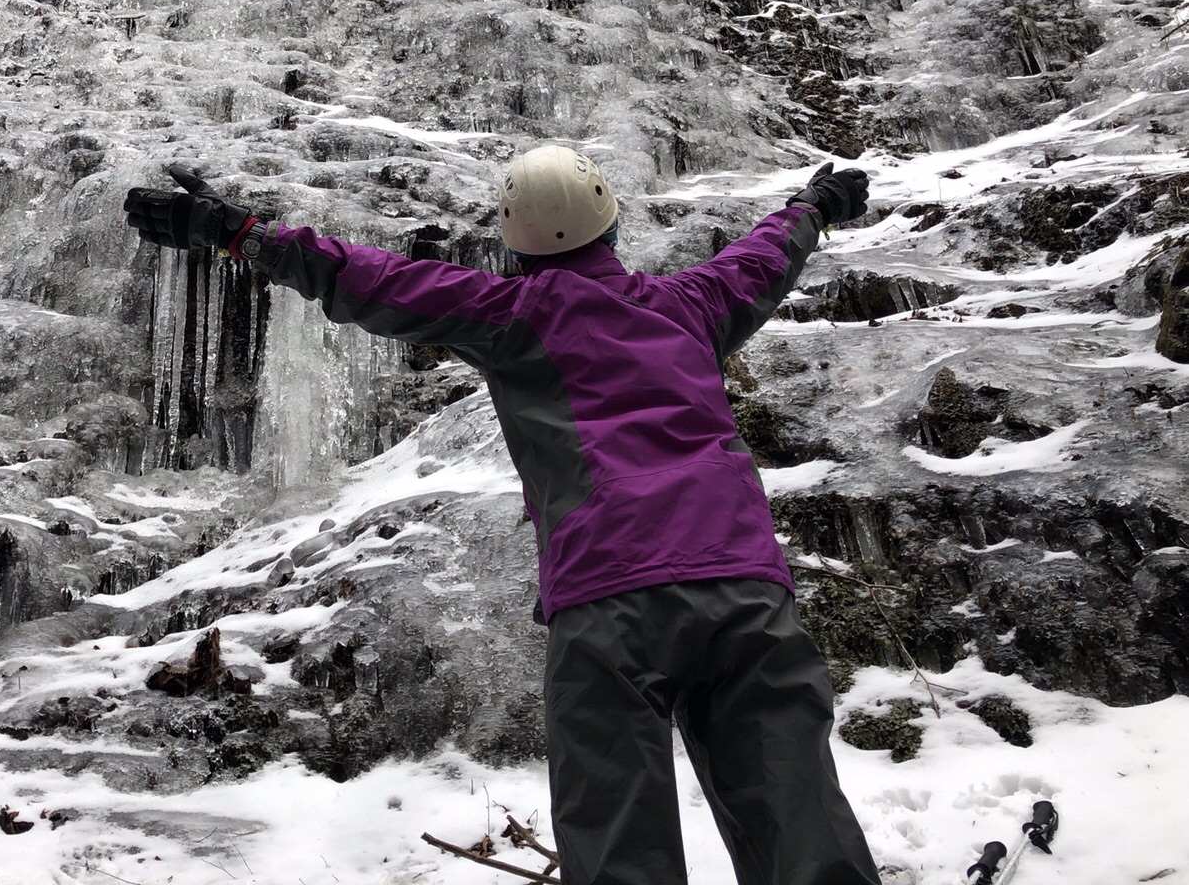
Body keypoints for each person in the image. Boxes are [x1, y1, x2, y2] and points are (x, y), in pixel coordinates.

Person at [124, 147, 880, 885]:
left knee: (618, 841)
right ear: (612, 225)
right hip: (742, 585)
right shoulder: (693, 303)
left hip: (608, 600)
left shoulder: (506, 312)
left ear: (514, 247)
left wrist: (240, 233)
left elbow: (371, 277)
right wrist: (814, 207)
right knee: (800, 817)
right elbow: (763, 256)